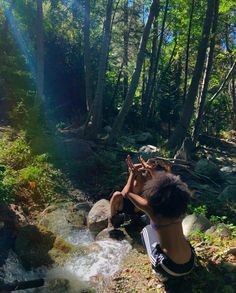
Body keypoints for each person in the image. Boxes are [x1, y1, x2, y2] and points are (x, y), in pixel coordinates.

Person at [121, 161, 195, 278]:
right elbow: (171, 185)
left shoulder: (152, 209)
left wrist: (132, 173)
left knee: (146, 230)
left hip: (170, 267)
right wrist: (151, 170)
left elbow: (126, 193)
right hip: (191, 262)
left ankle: (157, 270)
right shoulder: (180, 206)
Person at [109, 156, 171, 228]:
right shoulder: (139, 174)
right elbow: (126, 194)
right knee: (116, 194)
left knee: (152, 195)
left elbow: (166, 180)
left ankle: (137, 219)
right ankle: (112, 218)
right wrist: (143, 165)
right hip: (124, 202)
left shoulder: (155, 180)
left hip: (137, 207)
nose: (149, 174)